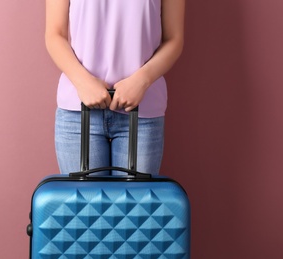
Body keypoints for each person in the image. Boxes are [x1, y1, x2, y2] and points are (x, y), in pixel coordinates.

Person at [45, 0, 185, 175]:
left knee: (134, 202)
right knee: (85, 202)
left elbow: (174, 38)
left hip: (141, 111)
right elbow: (55, 34)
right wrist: (83, 81)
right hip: (79, 113)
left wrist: (142, 80)